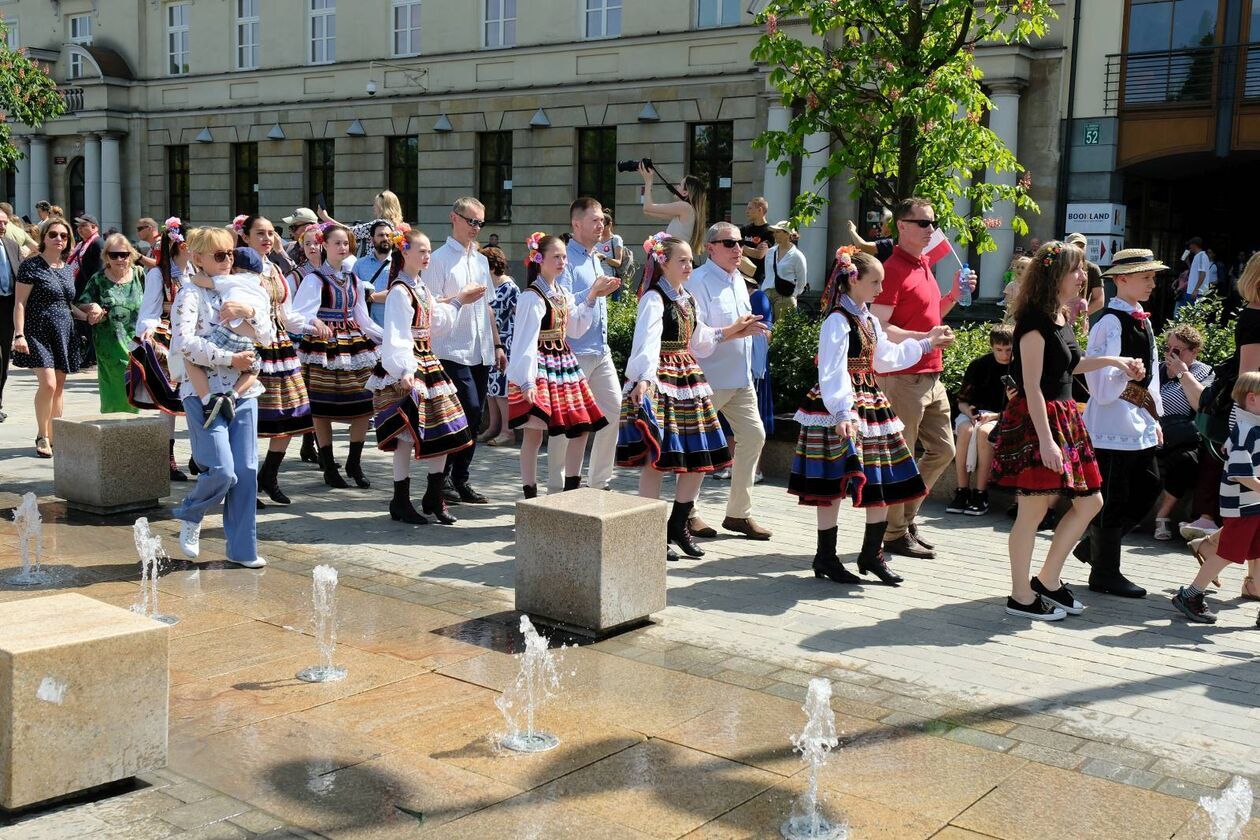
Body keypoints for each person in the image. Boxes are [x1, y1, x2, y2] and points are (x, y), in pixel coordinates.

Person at [991, 241, 1142, 620]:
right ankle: (1020, 595)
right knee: (1032, 511)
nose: (1082, 277)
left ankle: (1048, 579)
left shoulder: (1059, 316)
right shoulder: (1033, 324)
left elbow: (1068, 367)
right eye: (1076, 270)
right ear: (1054, 275)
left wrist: (1117, 361)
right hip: (1038, 420)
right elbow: (1032, 386)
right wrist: (1045, 441)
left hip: (1063, 418)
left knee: (1091, 502)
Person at [789, 248, 952, 585]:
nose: (880, 288)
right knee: (832, 483)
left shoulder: (868, 318)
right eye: (875, 281)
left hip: (871, 402)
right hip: (843, 406)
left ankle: (871, 553)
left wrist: (927, 343)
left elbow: (884, 359)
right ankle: (826, 556)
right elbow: (832, 369)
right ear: (853, 280)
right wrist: (842, 410)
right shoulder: (837, 319)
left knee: (881, 479)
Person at [619, 233, 765, 561]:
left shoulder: (688, 299)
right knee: (659, 458)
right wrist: (643, 379)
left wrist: (732, 331)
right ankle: (648, 532)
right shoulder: (654, 298)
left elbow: (700, 341)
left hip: (689, 378)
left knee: (698, 459)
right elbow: (646, 340)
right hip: (664, 378)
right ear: (663, 263)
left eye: (689, 260)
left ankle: (678, 525)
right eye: (682, 260)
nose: (689, 266)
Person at [872, 197, 975, 559]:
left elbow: (932, 315)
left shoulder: (925, 264)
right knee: (901, 457)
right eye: (923, 223)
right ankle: (895, 532)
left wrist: (954, 296)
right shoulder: (892, 269)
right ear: (902, 225)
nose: (931, 229)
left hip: (931, 375)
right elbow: (880, 327)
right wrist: (925, 339)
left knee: (944, 449)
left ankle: (904, 520)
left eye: (933, 223)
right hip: (903, 377)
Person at [369, 228, 485, 525]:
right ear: (404, 252)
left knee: (445, 430)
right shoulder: (399, 291)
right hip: (411, 365)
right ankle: (400, 500)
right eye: (421, 250)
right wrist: (405, 370)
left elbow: (437, 323)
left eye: (428, 250)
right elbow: (397, 335)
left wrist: (459, 301)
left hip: (427, 362)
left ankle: (434, 495)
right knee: (406, 436)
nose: (427, 255)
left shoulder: (420, 287)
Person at [169, 226, 266, 569]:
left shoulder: (238, 287)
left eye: (231, 254)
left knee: (247, 470)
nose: (228, 261)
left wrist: (250, 314)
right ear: (196, 258)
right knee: (223, 471)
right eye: (220, 255)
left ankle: (242, 549)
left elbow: (266, 335)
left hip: (243, 392)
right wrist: (229, 359)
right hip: (203, 392)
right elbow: (184, 345)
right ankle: (192, 514)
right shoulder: (189, 295)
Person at [1072, 248, 1166, 599]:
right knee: (1112, 498)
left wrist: (1154, 415)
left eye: (1153, 277)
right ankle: (1105, 572)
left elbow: (1152, 374)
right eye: (1146, 277)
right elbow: (1098, 381)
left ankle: (1094, 549)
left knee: (1149, 486)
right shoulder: (1109, 322)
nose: (1152, 284)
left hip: (1137, 422)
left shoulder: (1143, 319)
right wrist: (1124, 373)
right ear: (1121, 280)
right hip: (1111, 423)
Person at [507, 232, 617, 498]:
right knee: (533, 433)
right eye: (555, 256)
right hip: (541, 365)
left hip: (564, 362)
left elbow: (576, 329)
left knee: (580, 426)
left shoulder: (562, 293)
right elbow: (524, 341)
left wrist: (591, 297)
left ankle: (570, 490)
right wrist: (526, 380)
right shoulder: (532, 297)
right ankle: (530, 494)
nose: (561, 262)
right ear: (539, 259)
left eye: (564, 257)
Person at [685, 221, 773, 540]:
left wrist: (754, 332)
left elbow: (742, 327)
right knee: (698, 447)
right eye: (729, 243)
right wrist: (733, 330)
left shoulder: (738, 280)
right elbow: (696, 339)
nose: (738, 248)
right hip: (709, 380)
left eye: (739, 242)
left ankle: (738, 514)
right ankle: (688, 513)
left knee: (754, 436)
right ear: (710, 248)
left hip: (739, 377)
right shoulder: (698, 281)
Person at [426, 197, 506, 504]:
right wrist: (460, 297)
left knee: (475, 416)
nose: (475, 228)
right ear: (454, 218)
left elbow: (487, 306)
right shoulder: (439, 259)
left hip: (480, 348)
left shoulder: (481, 260)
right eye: (471, 221)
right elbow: (430, 305)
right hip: (450, 348)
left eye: (480, 223)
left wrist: (497, 344)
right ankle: (442, 474)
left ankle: (460, 478)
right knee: (466, 409)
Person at [293, 223, 382, 489]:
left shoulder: (353, 278)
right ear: (325, 245)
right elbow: (299, 313)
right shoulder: (314, 279)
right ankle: (330, 465)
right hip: (324, 347)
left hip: (353, 346)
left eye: (346, 243)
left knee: (364, 404)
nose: (343, 247)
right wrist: (313, 323)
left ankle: (354, 461)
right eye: (337, 243)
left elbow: (363, 319)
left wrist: (390, 337)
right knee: (322, 408)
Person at [236, 215, 313, 506]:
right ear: (245, 236)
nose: (267, 238)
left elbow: (287, 315)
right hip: (251, 347)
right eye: (260, 233)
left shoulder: (276, 271)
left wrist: (311, 324)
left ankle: (269, 474)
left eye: (270, 233)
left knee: (292, 414)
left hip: (280, 348)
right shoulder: (238, 270)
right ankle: (246, 482)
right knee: (251, 419)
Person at [1176, 371, 1260, 624]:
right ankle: (1190, 595)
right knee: (1226, 553)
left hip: (1252, 504)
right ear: (1253, 399)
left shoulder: (1252, 428)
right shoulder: (1246, 431)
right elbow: (1240, 473)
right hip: (1243, 506)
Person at [554, 198, 623, 491]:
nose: (601, 226)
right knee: (566, 426)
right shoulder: (564, 259)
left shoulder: (596, 257)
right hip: (573, 352)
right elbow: (563, 305)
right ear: (576, 223)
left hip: (600, 350)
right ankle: (556, 488)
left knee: (614, 410)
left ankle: (598, 482)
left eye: (603, 220)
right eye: (595, 220)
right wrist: (593, 292)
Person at [180, 246, 274, 427]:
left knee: (190, 360)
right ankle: (234, 395)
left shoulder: (230, 280)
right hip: (249, 341)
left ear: (236, 267)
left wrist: (193, 277)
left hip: (228, 334)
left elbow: (201, 281)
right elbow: (268, 333)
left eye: (229, 257)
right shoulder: (262, 289)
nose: (226, 262)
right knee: (253, 370)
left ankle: (208, 399)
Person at [11, 218, 80, 458]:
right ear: (44, 237)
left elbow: (67, 303)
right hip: (37, 331)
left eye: (63, 235)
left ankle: (55, 435)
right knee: (48, 384)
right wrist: (19, 334)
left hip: (64, 330)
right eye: (53, 234)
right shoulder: (31, 266)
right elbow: (20, 303)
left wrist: (90, 313)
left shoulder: (69, 268)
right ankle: (42, 435)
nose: (58, 239)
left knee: (59, 387)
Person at [131, 217, 191, 480]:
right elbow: (150, 310)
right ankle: (167, 458)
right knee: (169, 402)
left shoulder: (199, 272)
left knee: (200, 399)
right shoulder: (159, 274)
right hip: (172, 338)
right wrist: (147, 330)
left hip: (197, 337)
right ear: (182, 245)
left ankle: (201, 457)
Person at [1153, 325, 1213, 541]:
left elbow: (1199, 404)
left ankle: (1163, 515)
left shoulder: (1204, 372)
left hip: (1181, 437)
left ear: (1194, 351)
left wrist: (1182, 373)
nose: (1170, 354)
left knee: (1186, 461)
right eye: (1168, 348)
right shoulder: (1156, 370)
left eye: (1177, 350)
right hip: (1151, 432)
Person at [947, 324, 1014, 517]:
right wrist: (970, 412)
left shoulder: (1019, 368)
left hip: (1001, 416)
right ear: (992, 346)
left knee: (985, 433)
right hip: (973, 414)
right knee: (966, 432)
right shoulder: (978, 365)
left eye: (1008, 350)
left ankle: (980, 493)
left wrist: (993, 416)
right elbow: (962, 401)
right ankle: (962, 490)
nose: (1003, 354)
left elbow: (1018, 406)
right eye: (999, 350)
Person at [75, 233, 144, 414]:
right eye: (114, 255)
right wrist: (93, 306)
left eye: (124, 254)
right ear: (106, 256)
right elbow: (80, 302)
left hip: (137, 342)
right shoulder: (99, 278)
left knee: (134, 387)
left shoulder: (140, 275)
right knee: (116, 387)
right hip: (109, 343)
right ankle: (113, 428)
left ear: (131, 255)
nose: (120, 259)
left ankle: (131, 428)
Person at [479, 246, 518, 447]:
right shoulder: (490, 287)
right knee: (491, 388)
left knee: (502, 389)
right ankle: (493, 427)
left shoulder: (509, 287)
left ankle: (507, 431)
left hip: (506, 344)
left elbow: (515, 315)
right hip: (490, 344)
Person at [639, 162, 707, 255]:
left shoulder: (684, 207)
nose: (676, 187)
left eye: (680, 185)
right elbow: (647, 210)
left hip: (675, 259)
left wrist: (648, 181)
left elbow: (648, 207)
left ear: (685, 193)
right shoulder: (686, 210)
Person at [742, 256, 775, 442]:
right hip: (733, 364)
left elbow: (766, 334)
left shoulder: (759, 298)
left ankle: (758, 468)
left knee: (754, 417)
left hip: (754, 367)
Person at [317, 189, 405, 257]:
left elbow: (350, 232)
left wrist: (326, 218)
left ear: (383, 207)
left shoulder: (379, 224)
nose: (373, 207)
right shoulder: (395, 226)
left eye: (376, 204)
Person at [69, 215, 103, 369]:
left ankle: (91, 357)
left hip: (90, 292)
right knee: (83, 324)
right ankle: (88, 354)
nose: (80, 229)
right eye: (78, 226)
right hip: (80, 290)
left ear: (94, 227)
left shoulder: (97, 243)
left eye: (84, 225)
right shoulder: (81, 244)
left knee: (90, 324)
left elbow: (100, 269)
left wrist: (95, 292)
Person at [0, 210, 21, 422]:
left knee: (4, 358)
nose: (3, 226)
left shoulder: (12, 246)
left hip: (7, 307)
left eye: (5, 222)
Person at [762, 220, 808, 319]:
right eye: (774, 232)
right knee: (765, 328)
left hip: (785, 296)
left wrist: (792, 295)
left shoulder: (797, 255)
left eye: (778, 232)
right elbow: (768, 274)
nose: (774, 234)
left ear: (787, 234)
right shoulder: (770, 252)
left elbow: (802, 281)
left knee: (782, 331)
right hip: (767, 294)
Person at [354, 220, 396, 325]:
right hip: (365, 329)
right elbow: (351, 293)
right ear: (372, 239)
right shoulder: (359, 265)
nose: (385, 238)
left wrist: (369, 297)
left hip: (392, 327)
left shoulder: (401, 265)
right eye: (381, 235)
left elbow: (401, 294)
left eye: (388, 235)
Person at [1064, 233, 1105, 315]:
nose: (1079, 249)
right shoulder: (1059, 267)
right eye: (1075, 246)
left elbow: (1099, 300)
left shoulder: (1092, 269)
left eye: (1082, 246)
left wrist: (1080, 316)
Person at [740, 197, 773, 285]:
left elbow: (759, 254)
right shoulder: (744, 229)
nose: (747, 211)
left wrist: (742, 247)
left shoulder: (769, 231)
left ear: (760, 210)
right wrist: (751, 250)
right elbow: (736, 250)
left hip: (758, 280)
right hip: (741, 277)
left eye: (750, 208)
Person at [1180, 236, 1212, 311]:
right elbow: (1195, 272)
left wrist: (1196, 290)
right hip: (1192, 291)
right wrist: (1187, 261)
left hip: (1196, 292)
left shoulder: (1201, 256)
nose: (1189, 247)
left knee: (1192, 315)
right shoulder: (1198, 256)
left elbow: (1202, 274)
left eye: (1190, 245)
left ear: (1194, 245)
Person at [594, 212, 625, 277]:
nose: (600, 228)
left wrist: (603, 258)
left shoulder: (615, 239)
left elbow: (618, 263)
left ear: (609, 225)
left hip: (610, 279)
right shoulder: (595, 239)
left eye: (603, 225)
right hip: (595, 279)